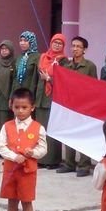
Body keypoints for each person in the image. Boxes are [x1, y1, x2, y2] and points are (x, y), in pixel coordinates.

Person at [0, 88, 47, 211]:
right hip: (11, 169)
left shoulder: (38, 128)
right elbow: (0, 146)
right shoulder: (7, 126)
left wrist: (33, 153)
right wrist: (13, 156)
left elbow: (43, 149)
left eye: (24, 107)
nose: (20, 111)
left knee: (26, 201)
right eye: (17, 107)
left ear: (32, 107)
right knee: (11, 200)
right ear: (12, 106)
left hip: (27, 172)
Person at [57, 36, 98, 177]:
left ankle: (84, 165)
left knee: (83, 134)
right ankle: (69, 163)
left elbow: (94, 87)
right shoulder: (66, 65)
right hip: (69, 105)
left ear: (84, 50)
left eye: (78, 46)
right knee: (69, 133)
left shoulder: (90, 66)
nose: (74, 49)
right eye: (73, 46)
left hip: (84, 106)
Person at [35, 34, 66, 169]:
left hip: (54, 97)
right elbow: (37, 78)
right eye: (55, 42)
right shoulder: (43, 58)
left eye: (60, 43)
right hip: (41, 97)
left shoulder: (63, 61)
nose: (57, 45)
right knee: (41, 130)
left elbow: (64, 80)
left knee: (52, 129)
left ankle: (52, 160)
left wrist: (49, 79)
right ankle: (41, 159)